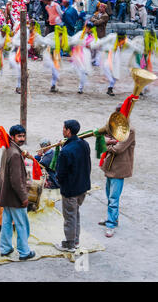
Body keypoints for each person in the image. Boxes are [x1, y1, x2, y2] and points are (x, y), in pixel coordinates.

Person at [0, 124, 35, 260]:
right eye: (19, 136)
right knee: (22, 224)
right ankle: (24, 252)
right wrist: (23, 197)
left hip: (6, 195)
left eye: (23, 136)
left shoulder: (8, 148)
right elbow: (16, 180)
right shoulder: (15, 154)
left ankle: (5, 248)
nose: (22, 138)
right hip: (15, 197)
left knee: (6, 222)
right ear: (12, 137)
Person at [99, 103, 135, 238]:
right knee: (109, 196)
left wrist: (107, 142)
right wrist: (109, 141)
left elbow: (118, 149)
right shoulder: (115, 129)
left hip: (119, 169)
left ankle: (111, 224)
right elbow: (106, 139)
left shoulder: (130, 131)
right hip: (110, 167)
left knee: (113, 198)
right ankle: (112, 218)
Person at [55, 120, 91, 253]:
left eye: (64, 128)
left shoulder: (66, 151)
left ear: (68, 131)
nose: (63, 130)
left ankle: (69, 244)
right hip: (82, 187)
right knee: (75, 213)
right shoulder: (84, 144)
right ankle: (75, 240)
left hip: (70, 190)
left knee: (70, 216)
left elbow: (61, 174)